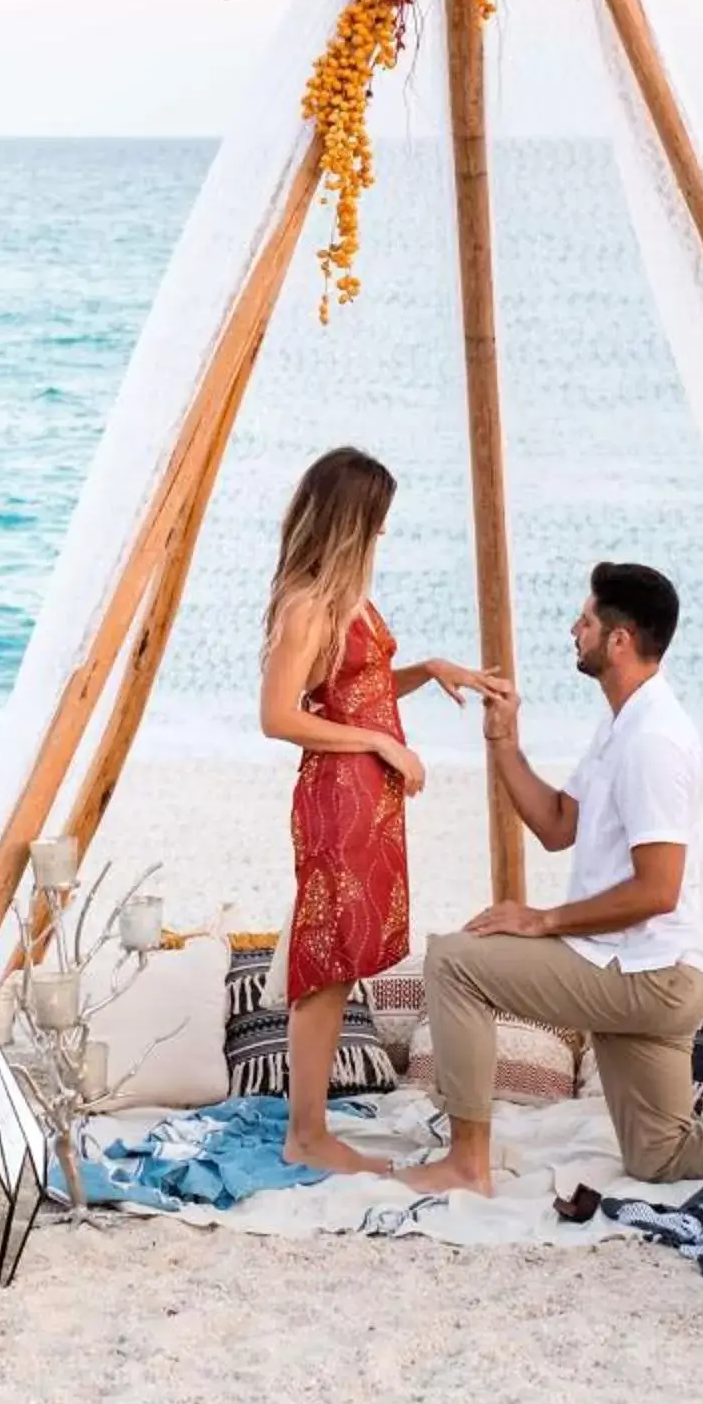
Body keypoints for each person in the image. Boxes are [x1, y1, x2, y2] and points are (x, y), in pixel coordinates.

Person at [399, 562, 703, 1195]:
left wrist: (542, 920)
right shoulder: (623, 723)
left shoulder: (655, 741)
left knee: (456, 963)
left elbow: (656, 890)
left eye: (585, 620)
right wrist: (505, 740)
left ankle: (466, 1162)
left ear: (617, 640)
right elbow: (557, 824)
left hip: (646, 974)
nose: (574, 628)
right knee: (660, 1156)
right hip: (645, 969)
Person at [256, 446, 514, 1174]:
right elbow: (278, 716)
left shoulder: (343, 600)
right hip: (338, 796)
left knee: (343, 958)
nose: (385, 533)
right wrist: (380, 744)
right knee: (326, 958)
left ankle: (312, 1128)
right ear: (350, 520)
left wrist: (426, 672)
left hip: (367, 798)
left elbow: (354, 687)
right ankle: (306, 1134)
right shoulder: (308, 604)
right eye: (378, 520)